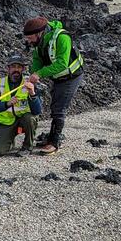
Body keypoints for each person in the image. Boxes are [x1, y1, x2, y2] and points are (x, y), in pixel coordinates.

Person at [24, 16, 85, 154]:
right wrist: (34, 73)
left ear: (39, 33)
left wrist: (39, 74)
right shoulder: (39, 42)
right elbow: (37, 59)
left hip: (71, 76)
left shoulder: (62, 38)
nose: (28, 41)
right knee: (55, 105)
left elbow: (62, 63)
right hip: (58, 77)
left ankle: (54, 143)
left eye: (30, 37)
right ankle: (51, 138)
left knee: (59, 107)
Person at [0, 55, 42, 156]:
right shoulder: (0, 83)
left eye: (19, 67)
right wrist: (7, 104)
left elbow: (37, 111)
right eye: (13, 67)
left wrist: (32, 93)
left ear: (23, 69)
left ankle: (27, 147)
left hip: (24, 120)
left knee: (29, 119)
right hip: (8, 122)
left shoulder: (29, 83)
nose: (16, 70)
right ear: (8, 68)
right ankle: (10, 139)